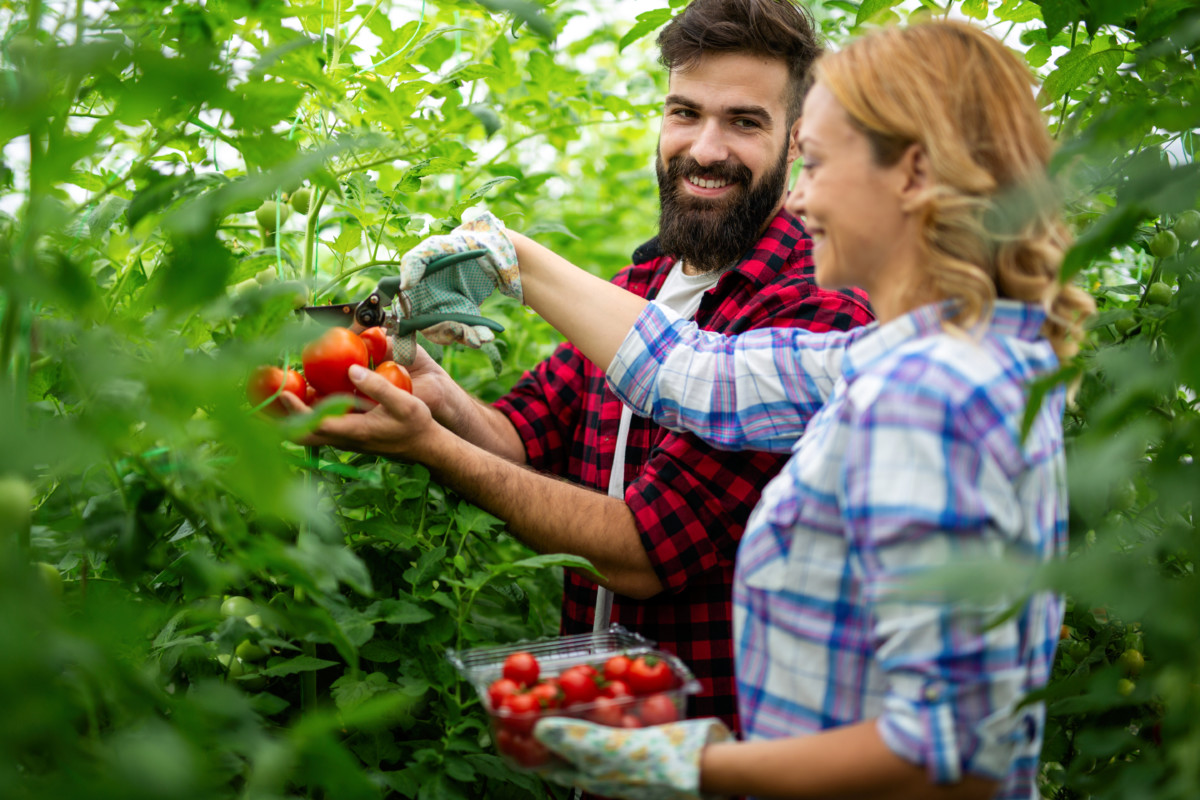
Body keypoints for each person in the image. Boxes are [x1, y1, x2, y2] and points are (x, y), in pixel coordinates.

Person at [345, 18, 1096, 800]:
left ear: (910, 174)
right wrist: (503, 270)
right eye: (684, 112)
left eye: (820, 162)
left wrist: (691, 764)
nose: (799, 197)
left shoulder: (928, 397)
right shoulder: (908, 358)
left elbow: (951, 749)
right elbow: (697, 376)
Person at [286, 0, 873, 734]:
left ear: (796, 143)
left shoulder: (813, 314)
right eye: (684, 112)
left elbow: (641, 553)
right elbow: (519, 437)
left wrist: (428, 444)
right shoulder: (638, 289)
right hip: (603, 743)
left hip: (724, 753)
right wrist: (433, 393)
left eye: (745, 122)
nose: (705, 148)